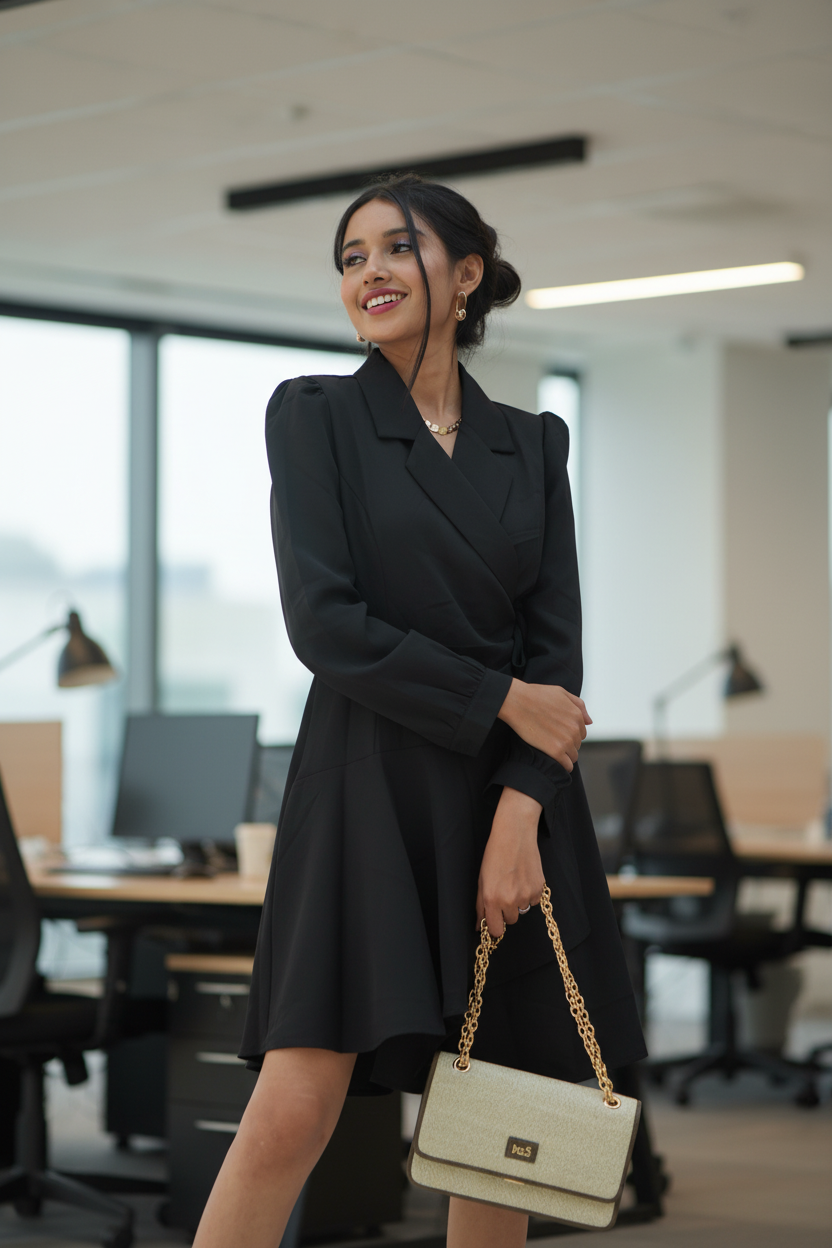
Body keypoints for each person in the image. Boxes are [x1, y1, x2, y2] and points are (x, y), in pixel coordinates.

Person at [193, 174, 646, 1248]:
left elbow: (558, 655)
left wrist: (519, 814)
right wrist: (497, 697)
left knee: (494, 1121)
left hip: (511, 804)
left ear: (466, 274)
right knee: (295, 1104)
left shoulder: (533, 446)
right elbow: (327, 626)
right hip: (367, 791)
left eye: (397, 249)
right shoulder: (315, 417)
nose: (371, 273)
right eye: (351, 258)